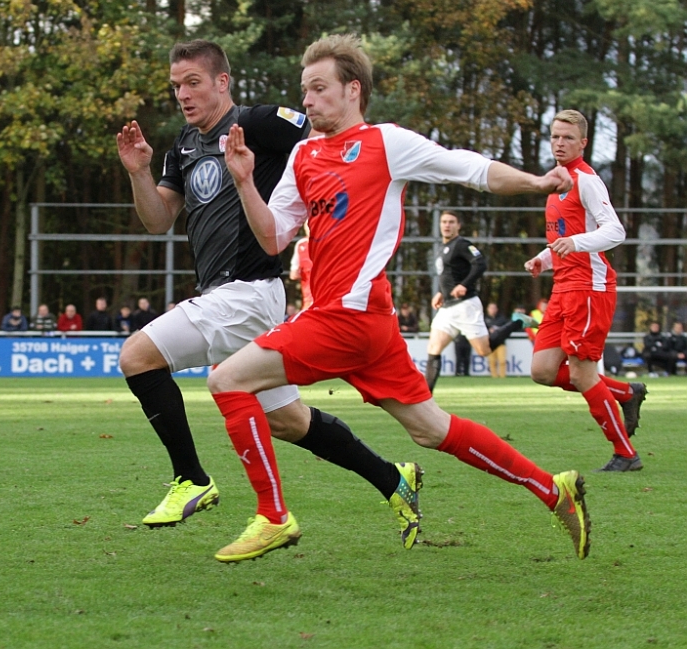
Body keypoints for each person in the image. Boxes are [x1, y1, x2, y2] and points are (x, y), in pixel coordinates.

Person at [210, 33, 589, 563]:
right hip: (365, 322)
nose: (308, 101)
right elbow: (273, 237)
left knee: (226, 380)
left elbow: (470, 168)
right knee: (431, 430)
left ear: (353, 90)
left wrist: (537, 182)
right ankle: (553, 489)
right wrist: (245, 183)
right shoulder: (302, 155)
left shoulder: (385, 143)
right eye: (305, 90)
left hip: (348, 317)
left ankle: (273, 517)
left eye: (319, 89)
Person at [116, 38, 423, 550]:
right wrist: (139, 172)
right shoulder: (183, 145)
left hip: (248, 290)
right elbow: (157, 219)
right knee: (288, 421)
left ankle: (191, 478)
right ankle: (393, 479)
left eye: (193, 83)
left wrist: (344, 203)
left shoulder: (259, 123)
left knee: (137, 356)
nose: (183, 95)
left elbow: (331, 136)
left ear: (222, 82)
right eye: (176, 86)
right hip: (230, 297)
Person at [524, 109, 646, 472]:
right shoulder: (554, 182)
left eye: (568, 138)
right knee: (543, 371)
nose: (560, 143)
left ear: (583, 143)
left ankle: (626, 454)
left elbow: (615, 231)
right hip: (563, 287)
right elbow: (566, 235)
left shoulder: (587, 181)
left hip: (589, 288)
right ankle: (625, 392)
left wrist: (574, 244)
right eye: (555, 136)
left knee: (581, 374)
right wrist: (544, 259)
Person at [424, 211, 532, 391]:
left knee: (484, 350)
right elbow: (449, 275)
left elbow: (480, 263)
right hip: (447, 308)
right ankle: (425, 398)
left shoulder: (462, 244)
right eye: (444, 222)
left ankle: (518, 322)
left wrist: (464, 285)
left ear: (458, 225)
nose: (447, 225)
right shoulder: (442, 248)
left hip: (465, 306)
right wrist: (441, 292)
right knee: (433, 349)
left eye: (451, 222)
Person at [289, 225, 312, 310]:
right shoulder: (301, 244)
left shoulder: (324, 242)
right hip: (307, 291)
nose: (308, 230)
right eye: (307, 227)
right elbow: (293, 274)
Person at [484, 303, 510, 378]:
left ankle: (502, 376)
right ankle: (494, 377)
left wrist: (498, 330)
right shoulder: (484, 319)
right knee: (492, 361)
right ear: (488, 309)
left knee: (502, 361)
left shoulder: (502, 319)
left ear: (497, 309)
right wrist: (489, 330)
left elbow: (507, 328)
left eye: (494, 308)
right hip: (490, 343)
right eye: (491, 308)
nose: (492, 310)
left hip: (500, 343)